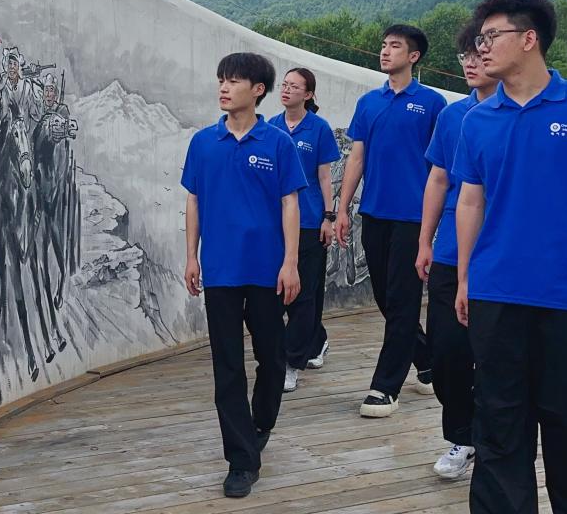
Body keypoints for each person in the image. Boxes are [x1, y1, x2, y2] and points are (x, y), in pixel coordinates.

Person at [453, 0, 567, 514]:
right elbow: (470, 201)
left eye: (492, 36)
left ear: (529, 38)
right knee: (498, 425)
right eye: (479, 39)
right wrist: (464, 279)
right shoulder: (477, 120)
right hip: (496, 293)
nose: (481, 47)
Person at [182, 52, 305, 499]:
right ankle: (241, 460)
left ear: (257, 90)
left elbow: (290, 203)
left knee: (272, 358)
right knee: (227, 365)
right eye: (221, 79)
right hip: (220, 271)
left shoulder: (278, 143)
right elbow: (194, 200)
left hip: (267, 270)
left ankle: (261, 423)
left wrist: (290, 262)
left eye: (233, 81)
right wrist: (191, 256)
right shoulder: (203, 143)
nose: (223, 87)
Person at [335, 24, 446, 418]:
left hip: (414, 218)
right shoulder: (368, 103)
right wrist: (342, 209)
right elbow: (357, 158)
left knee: (403, 300)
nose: (385, 51)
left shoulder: (432, 104)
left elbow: (441, 166)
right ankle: (428, 359)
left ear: (413, 56)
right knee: (386, 298)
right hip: (374, 213)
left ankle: (385, 387)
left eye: (394, 46)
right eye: (383, 45)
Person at [414, 21, 499, 479]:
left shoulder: (517, 113)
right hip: (450, 251)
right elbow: (438, 178)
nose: (470, 63)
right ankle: (463, 436)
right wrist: (424, 240)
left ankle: (491, 438)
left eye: (479, 54)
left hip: (500, 253)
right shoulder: (452, 116)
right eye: (465, 55)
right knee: (447, 353)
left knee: (496, 356)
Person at [268, 67, 340, 393]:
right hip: (276, 222)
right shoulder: (271, 126)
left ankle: (291, 363)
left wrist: (329, 217)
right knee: (276, 293)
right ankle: (316, 339)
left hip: (309, 220)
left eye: (294, 86)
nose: (286, 90)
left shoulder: (318, 128)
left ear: (308, 94)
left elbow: (324, 177)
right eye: (284, 85)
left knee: (305, 294)